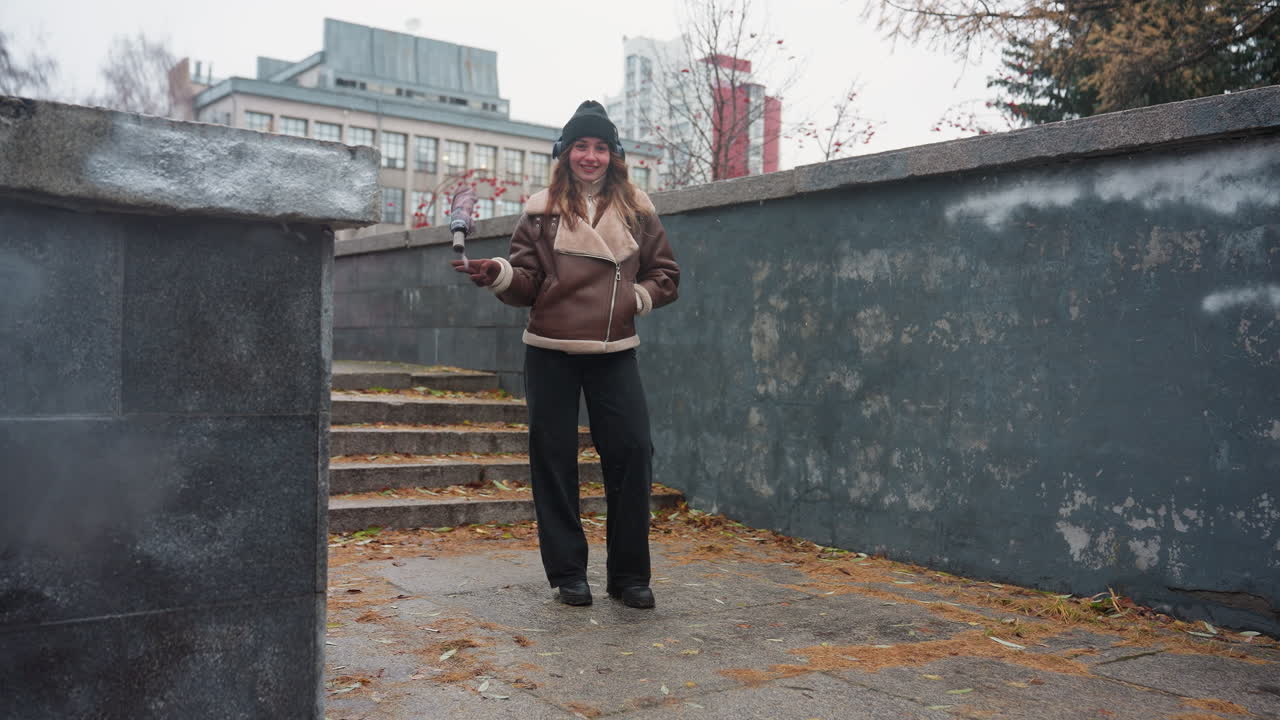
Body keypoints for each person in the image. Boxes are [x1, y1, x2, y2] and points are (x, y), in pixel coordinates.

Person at [451, 100, 679, 609]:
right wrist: (499, 274)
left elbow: (666, 275)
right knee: (553, 460)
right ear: (565, 152)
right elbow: (528, 281)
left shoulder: (638, 210)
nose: (590, 156)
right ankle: (568, 574)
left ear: (614, 155)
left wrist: (633, 299)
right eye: (581, 146)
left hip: (613, 347)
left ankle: (629, 576)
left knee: (633, 452)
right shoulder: (540, 211)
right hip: (550, 348)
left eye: (600, 147)